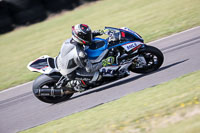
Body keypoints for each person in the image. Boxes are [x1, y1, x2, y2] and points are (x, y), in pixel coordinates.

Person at [56, 24, 114, 92]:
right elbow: (90, 69)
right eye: (87, 35)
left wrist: (98, 32)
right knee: (99, 75)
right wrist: (106, 62)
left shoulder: (70, 40)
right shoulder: (81, 54)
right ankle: (79, 84)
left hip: (62, 61)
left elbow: (85, 37)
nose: (89, 36)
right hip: (70, 72)